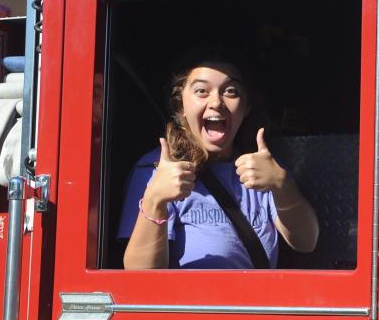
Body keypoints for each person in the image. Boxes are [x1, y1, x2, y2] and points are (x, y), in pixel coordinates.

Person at [119, 59, 319, 268]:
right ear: (180, 107)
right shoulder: (156, 168)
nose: (216, 102)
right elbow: (140, 275)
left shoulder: (263, 167)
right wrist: (154, 200)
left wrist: (281, 183)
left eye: (231, 91)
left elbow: (306, 242)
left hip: (256, 300)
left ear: (246, 106)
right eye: (202, 91)